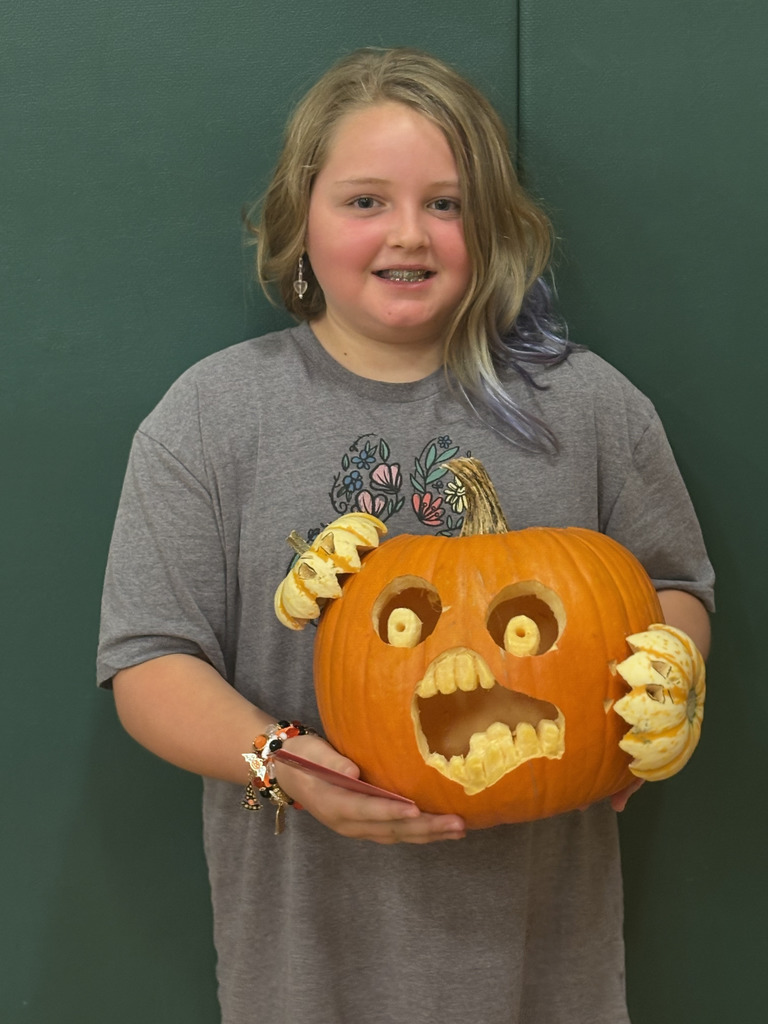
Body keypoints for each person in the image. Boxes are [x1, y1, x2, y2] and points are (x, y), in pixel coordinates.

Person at [98, 47, 714, 1024]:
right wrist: (279, 756)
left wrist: (668, 687)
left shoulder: (590, 406)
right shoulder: (214, 416)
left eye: (447, 203)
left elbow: (674, 584)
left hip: (541, 958)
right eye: (365, 202)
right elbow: (148, 659)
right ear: (301, 220)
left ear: (497, 228)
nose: (409, 234)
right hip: (307, 958)